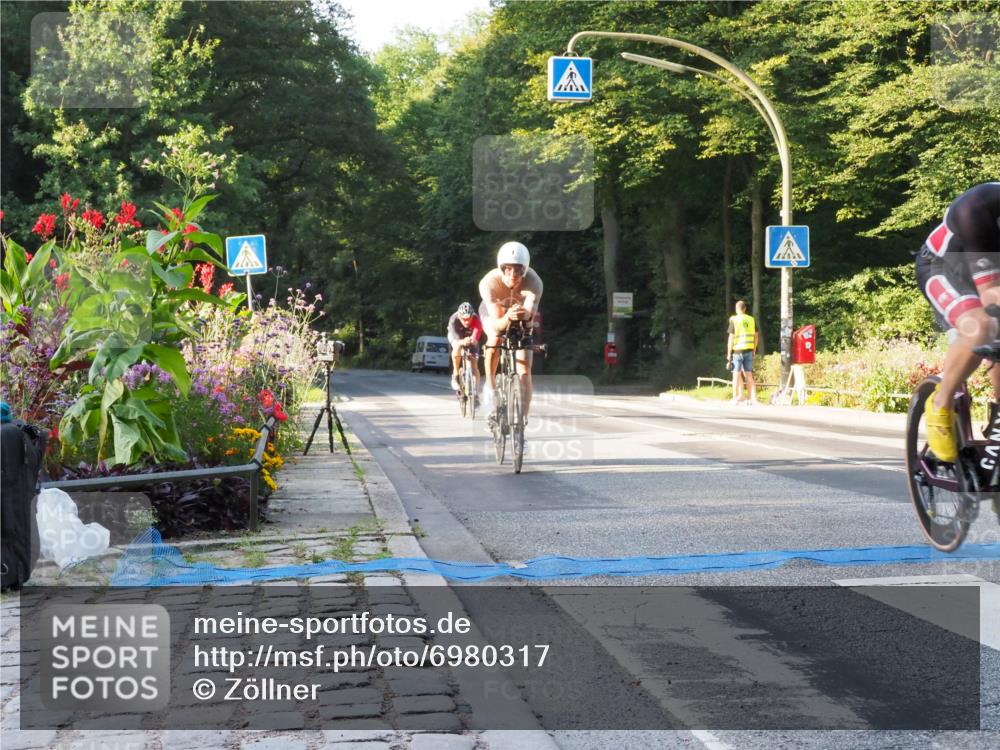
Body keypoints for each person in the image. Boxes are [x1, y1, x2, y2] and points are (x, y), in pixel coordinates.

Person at [917, 182, 1000, 463]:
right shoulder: (976, 207)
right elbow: (991, 292)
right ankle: (940, 403)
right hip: (944, 268)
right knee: (981, 327)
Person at [478, 241, 543, 417]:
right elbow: (498, 324)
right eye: (508, 269)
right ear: (501, 268)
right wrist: (507, 317)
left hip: (520, 318)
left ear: (525, 269)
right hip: (495, 315)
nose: (513, 274)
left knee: (525, 369)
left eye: (518, 269)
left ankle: (522, 425)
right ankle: (490, 385)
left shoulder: (534, 282)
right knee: (495, 338)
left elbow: (529, 321)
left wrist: (524, 316)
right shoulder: (489, 283)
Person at [446, 301, 483, 395]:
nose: (466, 322)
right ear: (459, 316)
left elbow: (475, 337)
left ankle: (476, 391)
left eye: (469, 319)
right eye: (464, 319)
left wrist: (472, 341)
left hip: (470, 335)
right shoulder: (454, 320)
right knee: (457, 346)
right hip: (456, 335)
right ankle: (455, 373)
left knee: (474, 364)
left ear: (472, 316)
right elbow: (456, 338)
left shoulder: (476, 319)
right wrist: (462, 342)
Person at [726, 300, 758, 404]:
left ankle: (735, 398)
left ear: (736, 309)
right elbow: (756, 336)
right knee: (748, 375)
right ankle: (750, 399)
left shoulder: (734, 320)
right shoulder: (751, 319)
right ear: (745, 309)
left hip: (737, 351)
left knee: (736, 375)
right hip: (749, 350)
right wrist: (754, 349)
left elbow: (731, 338)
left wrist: (729, 353)